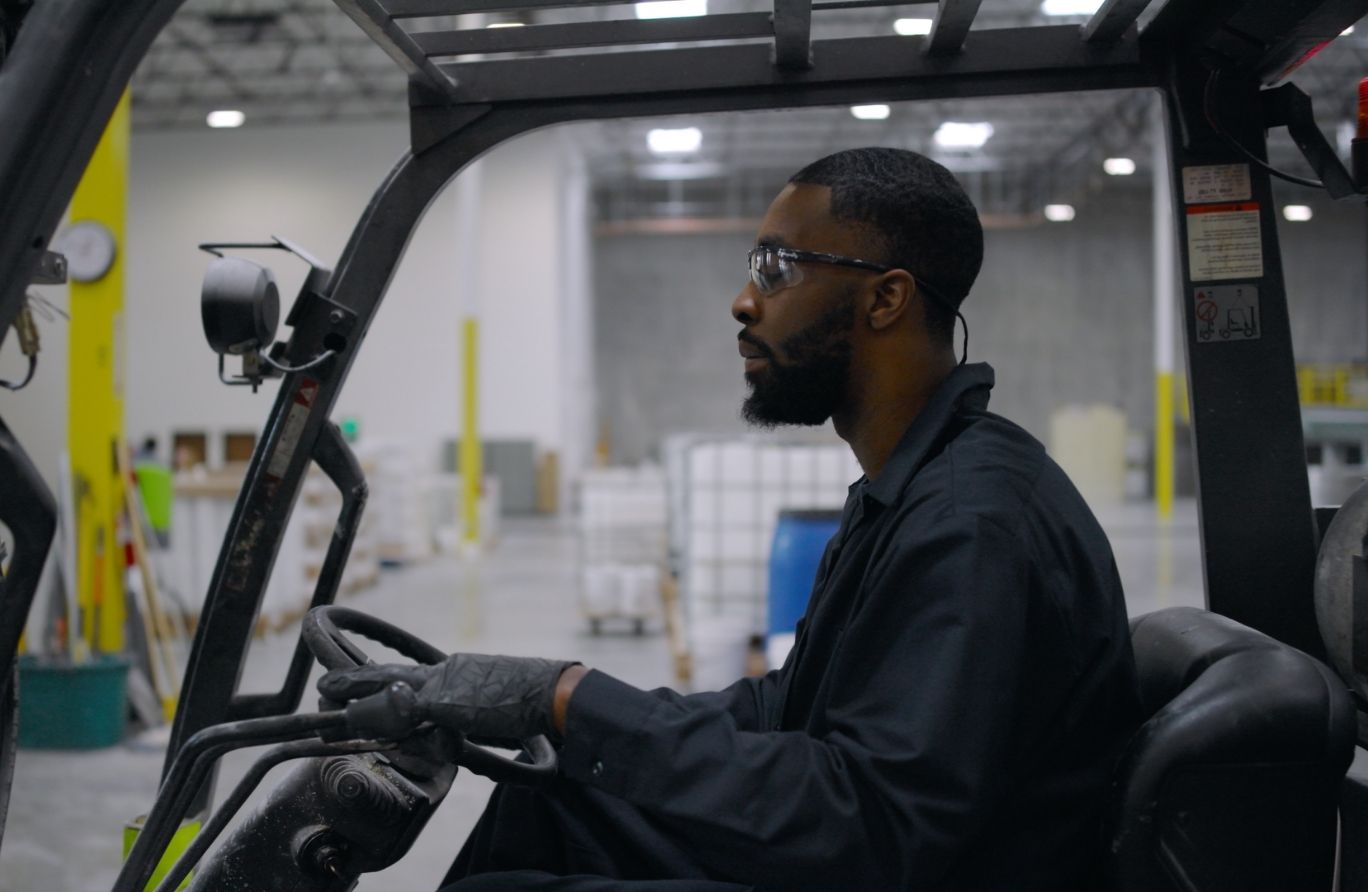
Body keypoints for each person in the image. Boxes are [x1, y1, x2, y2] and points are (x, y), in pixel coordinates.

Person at [320, 147, 1142, 891]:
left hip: (918, 870)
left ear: (886, 299)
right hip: (886, 852)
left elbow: (876, 826)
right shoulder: (913, 485)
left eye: (778, 269)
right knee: (556, 799)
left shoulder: (967, 526)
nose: (744, 302)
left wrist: (570, 698)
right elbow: (786, 711)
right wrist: (563, 702)